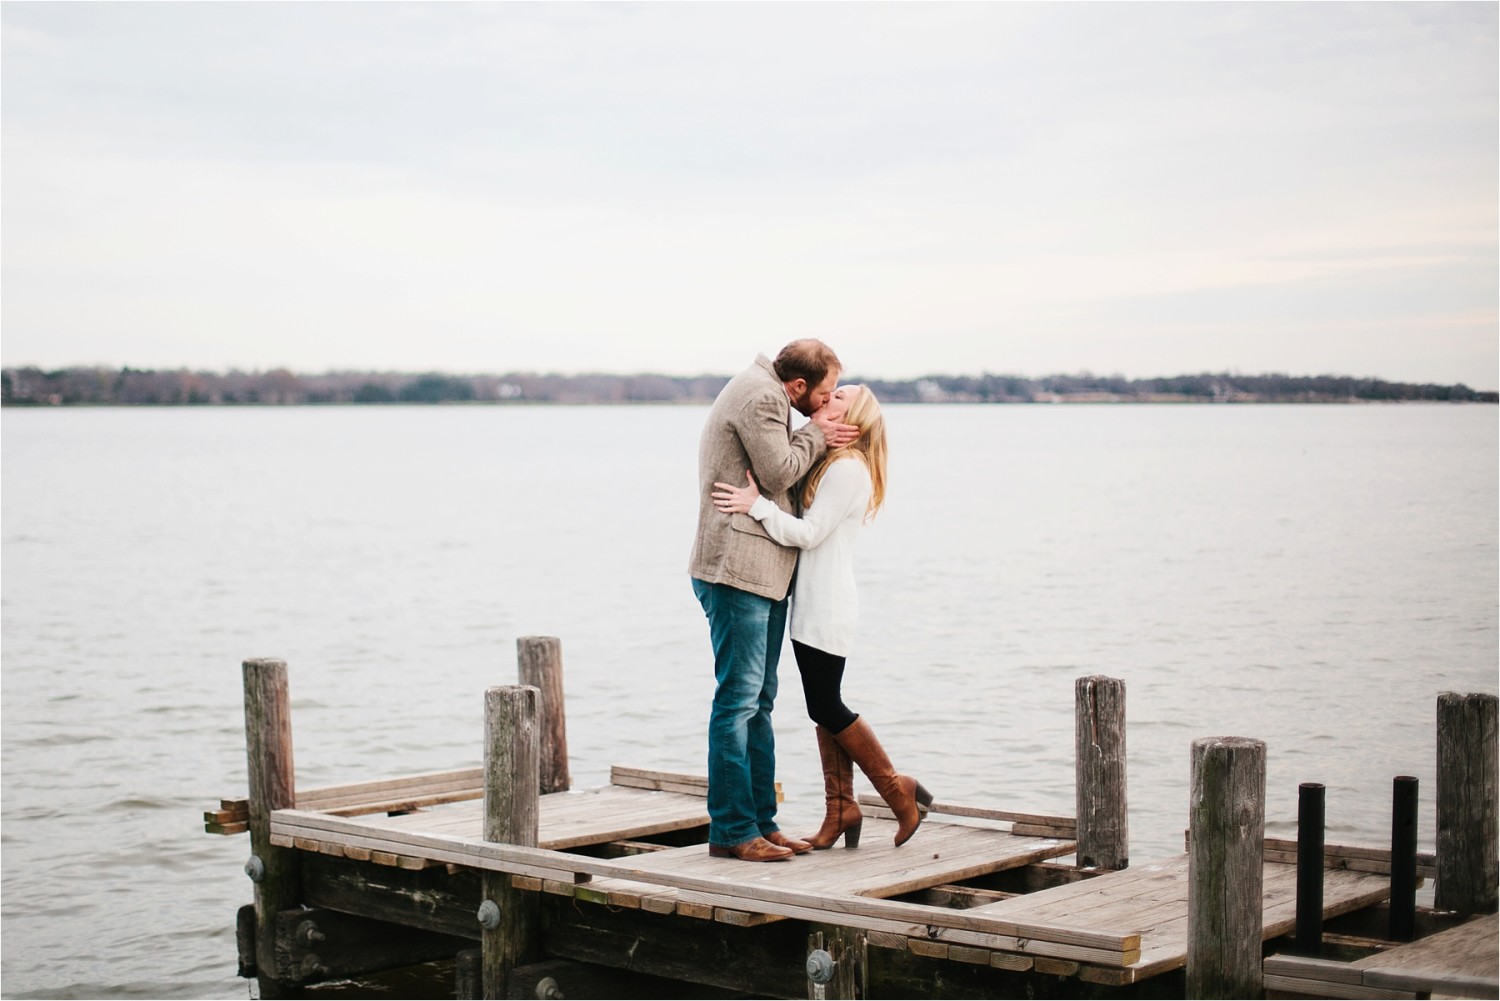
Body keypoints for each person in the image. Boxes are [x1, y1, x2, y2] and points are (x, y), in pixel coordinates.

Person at [712, 384, 931, 848]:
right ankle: (842, 809)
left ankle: (898, 791)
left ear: (856, 421)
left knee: (827, 706)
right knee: (823, 705)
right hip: (815, 602)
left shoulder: (848, 470)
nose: (827, 399)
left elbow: (809, 534)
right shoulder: (836, 464)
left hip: (827, 605)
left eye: (839, 398)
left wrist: (756, 506)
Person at [689, 340, 859, 863]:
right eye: (825, 393)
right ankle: (733, 830)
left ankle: (762, 823)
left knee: (759, 702)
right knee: (738, 702)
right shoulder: (761, 396)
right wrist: (817, 434)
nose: (826, 404)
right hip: (736, 570)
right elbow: (780, 472)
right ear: (799, 386)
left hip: (763, 573)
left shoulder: (770, 394)